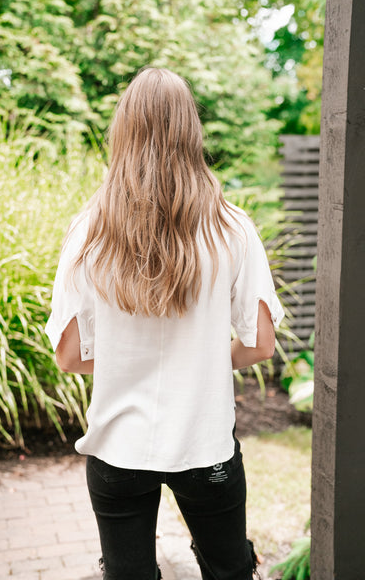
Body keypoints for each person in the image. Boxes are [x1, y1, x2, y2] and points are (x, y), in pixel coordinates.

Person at [45, 67, 284, 580]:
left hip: (116, 452)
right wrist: (200, 361)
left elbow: (67, 358)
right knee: (230, 569)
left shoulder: (89, 230)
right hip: (206, 446)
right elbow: (261, 345)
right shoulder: (232, 226)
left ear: (123, 132)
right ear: (190, 132)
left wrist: (125, 364)